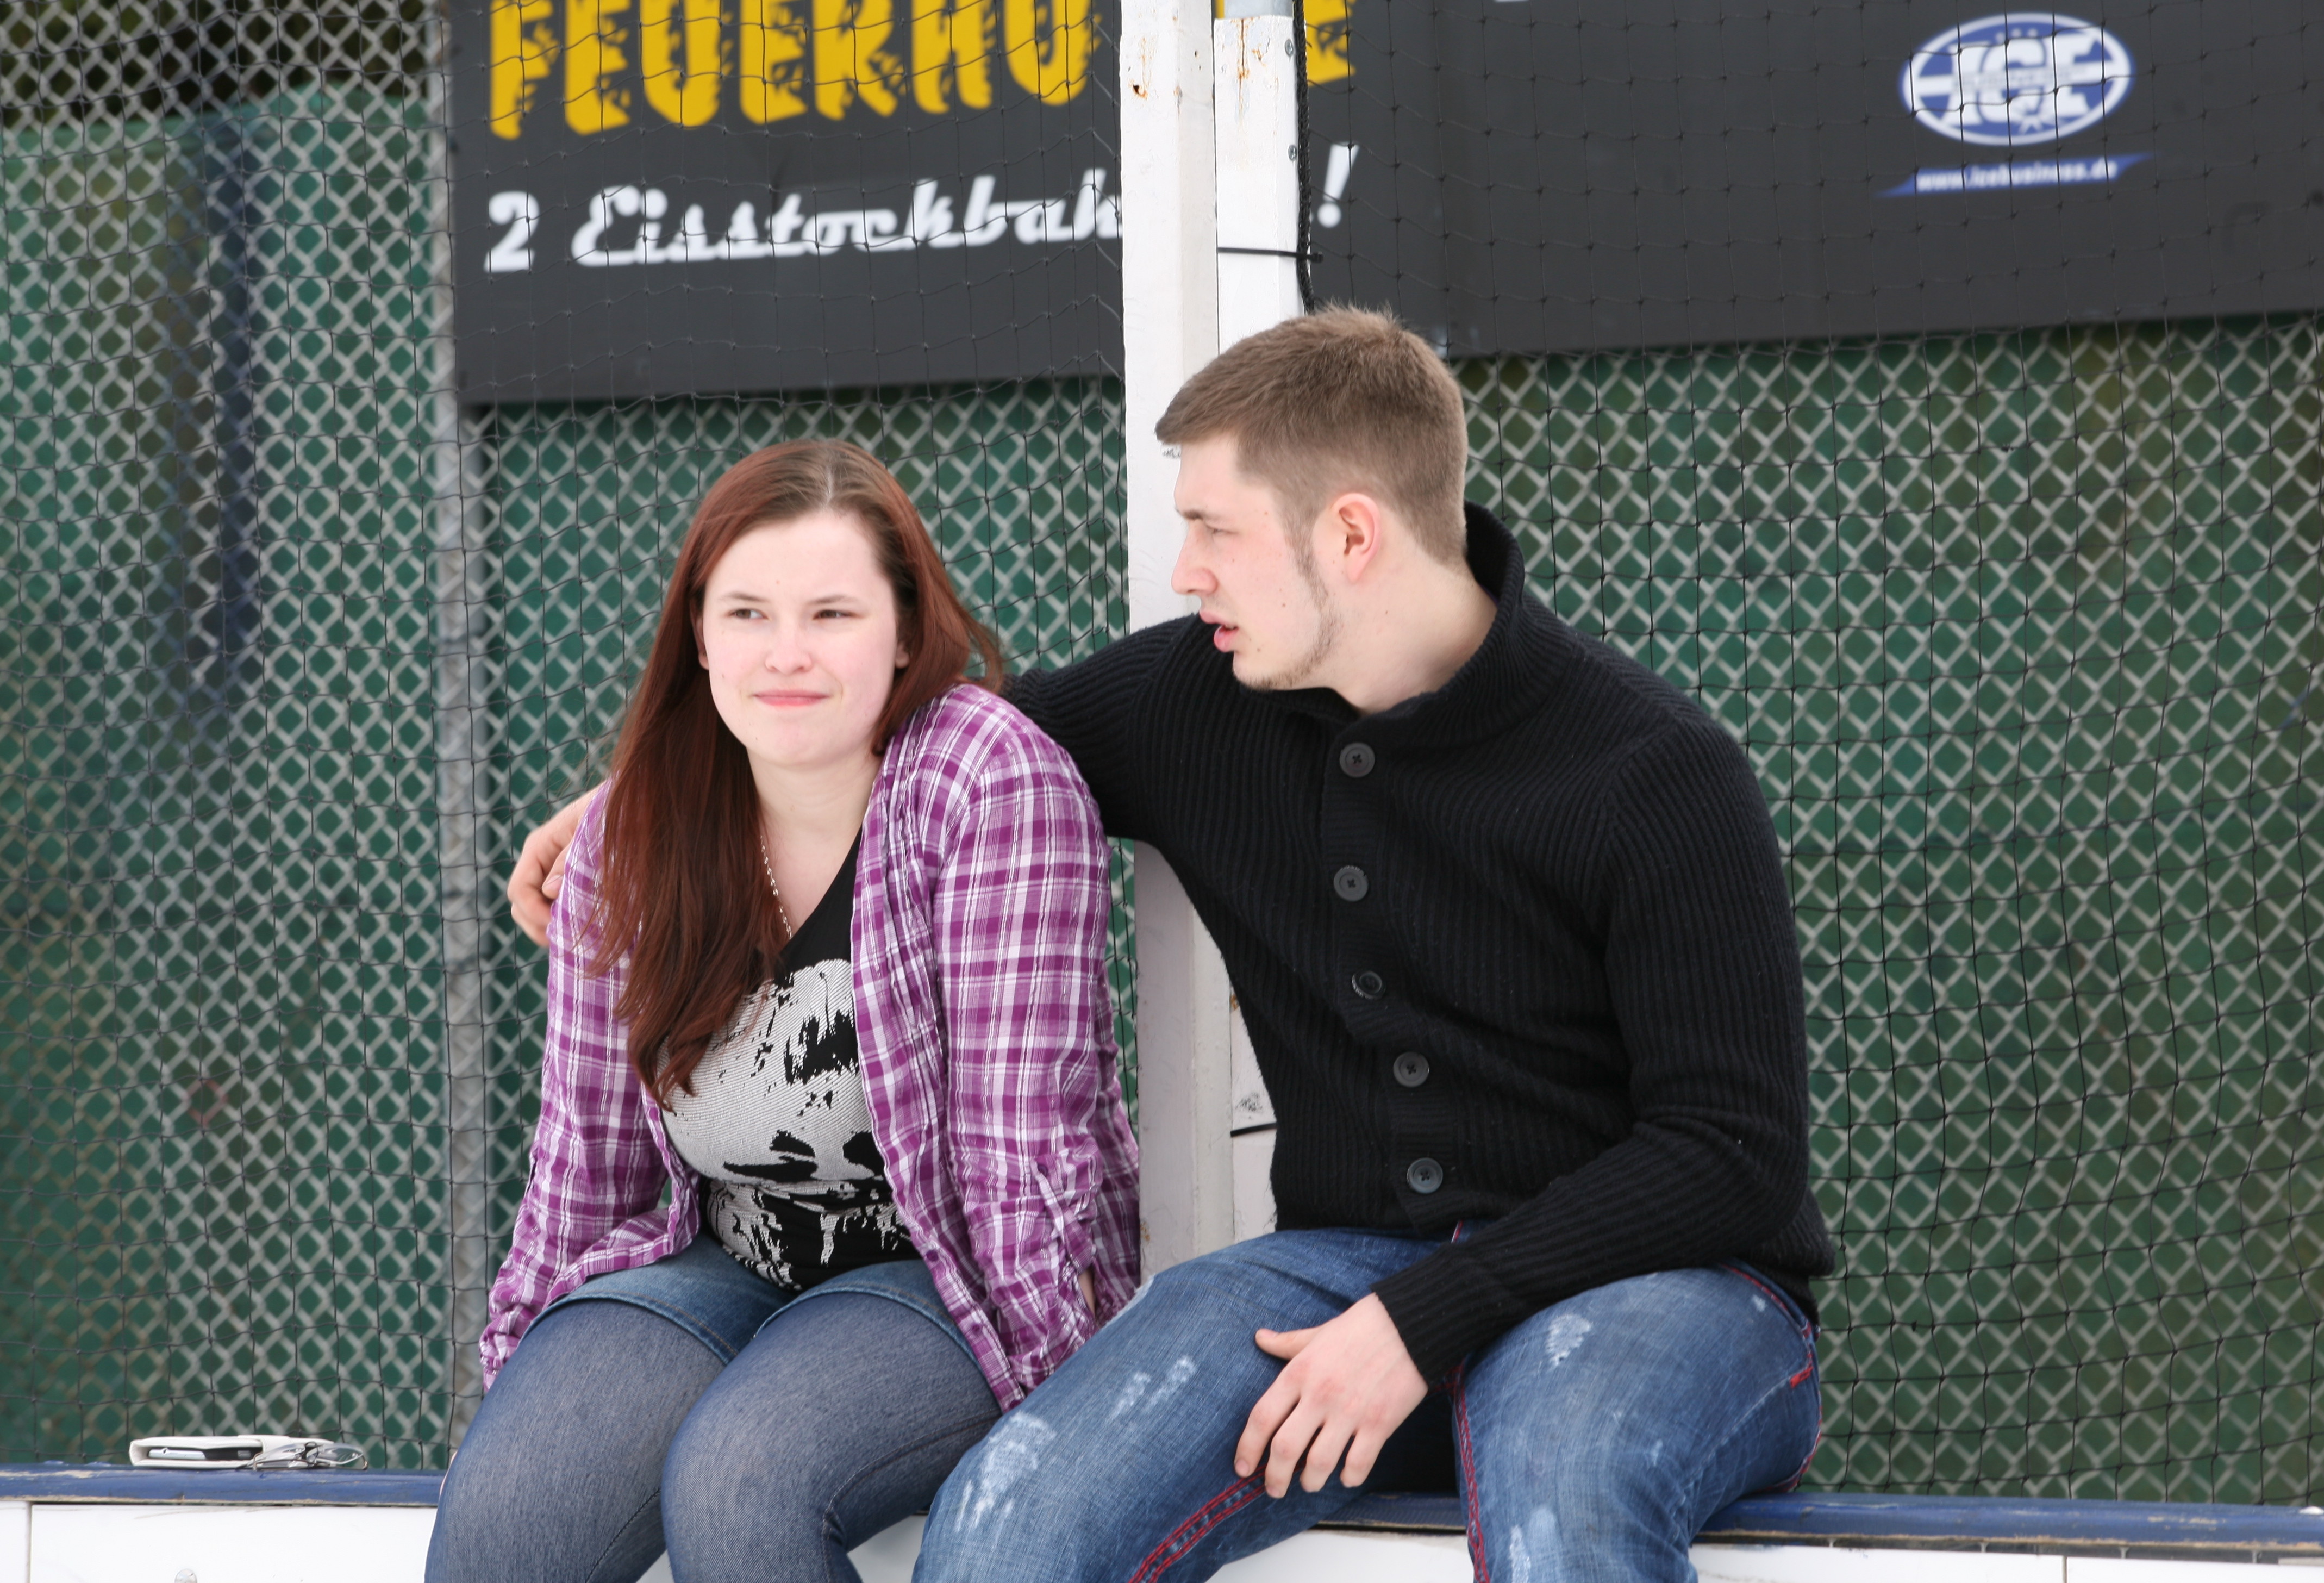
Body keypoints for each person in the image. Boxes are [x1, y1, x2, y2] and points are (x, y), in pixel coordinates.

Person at [507, 310, 1833, 1583]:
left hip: (1666, 1285)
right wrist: (654, 800)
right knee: (1016, 1518)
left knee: (1568, 1489)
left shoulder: (1654, 769)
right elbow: (907, 753)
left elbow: (1730, 1151)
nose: (1187, 569)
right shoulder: (1198, 700)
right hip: (1340, 1270)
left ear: (1351, 534)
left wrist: (1425, 1321)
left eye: (1214, 530)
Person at [430, 439, 1138, 1583]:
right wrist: (524, 1378)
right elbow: (585, 1154)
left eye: (832, 614)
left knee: (742, 1478)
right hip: (726, 1254)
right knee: (512, 1513)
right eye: (749, 614)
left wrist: (1051, 1393)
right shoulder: (632, 831)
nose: (787, 653)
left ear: (904, 633)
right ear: (699, 635)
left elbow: (1023, 1151)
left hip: (947, 1278)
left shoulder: (988, 782)